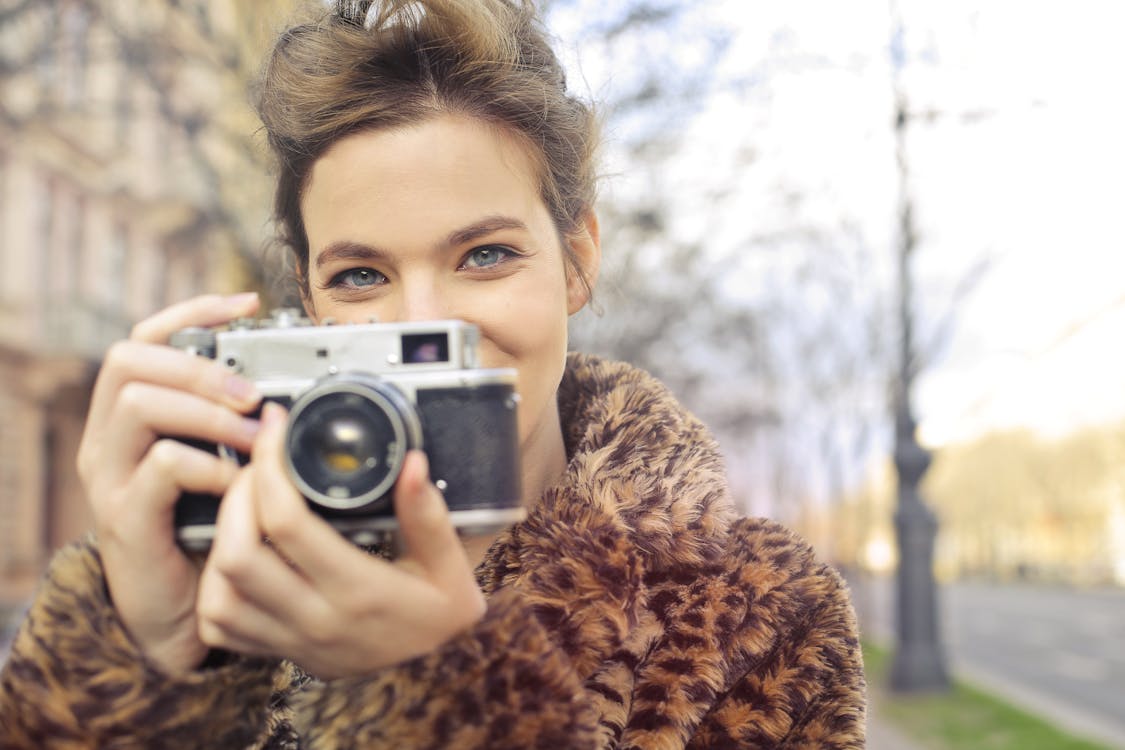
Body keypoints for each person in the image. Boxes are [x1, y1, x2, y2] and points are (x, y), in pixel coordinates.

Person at [0, 1, 866, 747]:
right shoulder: (228, 586)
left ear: (576, 261)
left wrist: (444, 696)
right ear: (306, 302)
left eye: (484, 255)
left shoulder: (752, 612)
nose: (424, 322)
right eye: (361, 276)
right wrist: (135, 660)